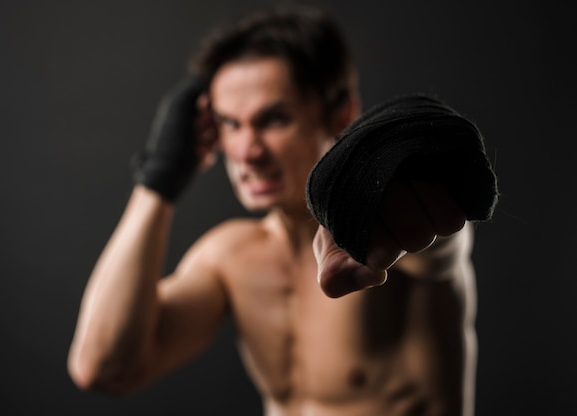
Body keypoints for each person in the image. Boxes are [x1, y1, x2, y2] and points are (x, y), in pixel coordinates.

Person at [67, 4, 497, 416]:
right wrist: (157, 181)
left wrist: (408, 157)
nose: (247, 152)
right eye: (230, 123)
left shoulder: (396, 237)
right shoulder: (230, 257)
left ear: (342, 114)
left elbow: (438, 240)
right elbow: (104, 368)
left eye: (273, 120)